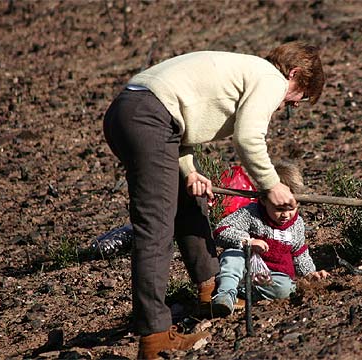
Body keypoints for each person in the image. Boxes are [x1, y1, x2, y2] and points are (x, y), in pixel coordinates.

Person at [102, 41, 325, 359]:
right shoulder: (271, 78)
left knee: (189, 202)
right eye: (297, 99)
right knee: (156, 228)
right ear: (294, 74)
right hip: (147, 117)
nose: (290, 106)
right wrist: (272, 184)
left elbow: (178, 117)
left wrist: (190, 170)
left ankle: (210, 289)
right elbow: (248, 137)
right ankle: (154, 336)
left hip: (132, 112)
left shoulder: (246, 69)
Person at [211, 160, 329, 317]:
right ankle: (226, 294)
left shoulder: (297, 225)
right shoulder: (251, 214)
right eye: (279, 209)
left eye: (291, 208)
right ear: (264, 200)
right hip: (246, 268)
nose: (286, 215)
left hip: (274, 276)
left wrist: (309, 273)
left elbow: (299, 253)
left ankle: (243, 294)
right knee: (232, 255)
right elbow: (221, 230)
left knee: (286, 288)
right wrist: (248, 242)